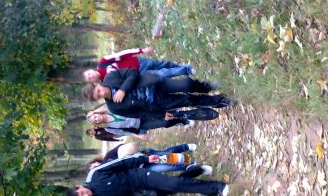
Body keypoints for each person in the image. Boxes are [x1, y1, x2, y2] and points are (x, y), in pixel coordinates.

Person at [66, 153, 228, 196]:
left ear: (79, 186)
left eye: (81, 192)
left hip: (140, 176)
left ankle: (217, 188)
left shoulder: (95, 174)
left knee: (173, 184)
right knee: (173, 187)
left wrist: (144, 159)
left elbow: (121, 163)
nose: (85, 195)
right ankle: (196, 171)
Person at [83, 82, 233, 118]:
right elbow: (139, 114)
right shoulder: (114, 107)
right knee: (187, 100)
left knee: (186, 83)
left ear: (97, 84)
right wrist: (160, 115)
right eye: (99, 96)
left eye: (98, 91)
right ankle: (219, 100)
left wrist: (123, 89)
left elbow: (132, 73)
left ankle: (208, 86)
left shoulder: (112, 79)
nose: (102, 93)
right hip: (155, 103)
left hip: (155, 84)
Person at [83, 46, 196, 85]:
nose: (91, 76)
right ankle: (187, 69)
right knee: (163, 74)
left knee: (162, 64)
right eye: (89, 78)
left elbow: (122, 54)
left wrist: (141, 50)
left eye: (89, 74)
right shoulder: (106, 82)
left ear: (90, 70)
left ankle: (180, 66)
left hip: (138, 62)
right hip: (139, 75)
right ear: (92, 82)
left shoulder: (103, 62)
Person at [87, 142, 199, 174]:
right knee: (166, 167)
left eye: (94, 165)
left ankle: (185, 147)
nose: (97, 167)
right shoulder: (109, 174)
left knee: (165, 153)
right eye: (94, 169)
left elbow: (122, 147)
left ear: (96, 162)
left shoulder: (109, 157)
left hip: (142, 155)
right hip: (143, 169)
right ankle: (188, 167)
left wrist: (125, 156)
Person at [86, 106, 193, 138]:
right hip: (141, 125)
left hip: (140, 113)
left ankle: (181, 114)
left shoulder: (110, 109)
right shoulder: (108, 128)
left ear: (97, 113)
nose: (97, 119)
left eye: (95, 117)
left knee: (163, 113)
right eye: (95, 120)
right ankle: (182, 121)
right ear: (97, 124)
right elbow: (123, 132)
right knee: (164, 123)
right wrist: (138, 136)